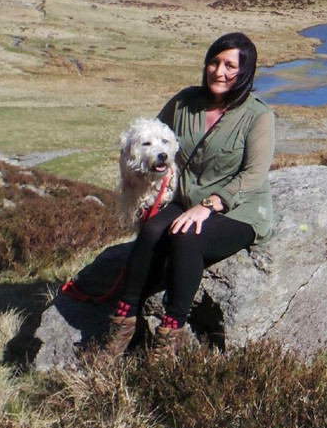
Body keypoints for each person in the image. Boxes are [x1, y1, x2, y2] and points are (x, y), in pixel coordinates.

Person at [103, 32, 275, 359]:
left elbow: (254, 175)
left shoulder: (258, 116)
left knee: (186, 238)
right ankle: (125, 320)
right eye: (214, 62)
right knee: (153, 229)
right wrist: (134, 174)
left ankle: (170, 334)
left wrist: (210, 205)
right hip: (185, 200)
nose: (219, 72)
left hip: (238, 211)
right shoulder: (185, 101)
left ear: (245, 72)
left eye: (229, 66)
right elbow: (152, 137)